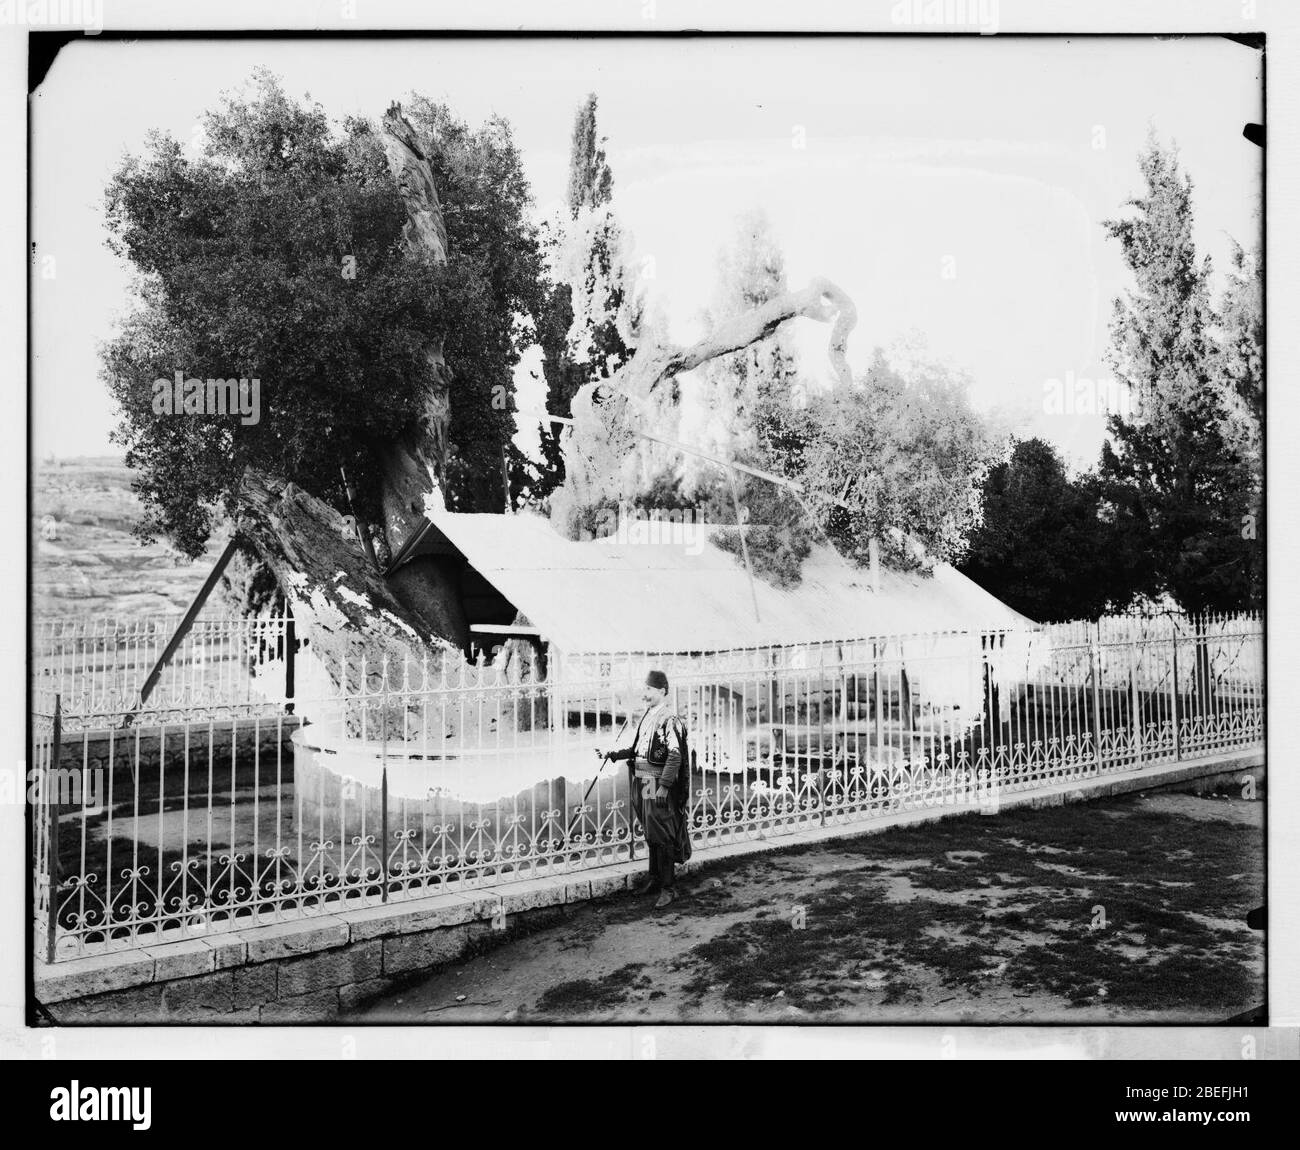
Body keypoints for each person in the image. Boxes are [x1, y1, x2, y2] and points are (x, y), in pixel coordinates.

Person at [596, 670, 692, 908]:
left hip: (658, 783)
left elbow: (675, 756)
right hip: (643, 780)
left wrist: (664, 787)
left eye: (649, 689)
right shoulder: (648, 716)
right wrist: (614, 755)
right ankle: (654, 878)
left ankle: (669, 888)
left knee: (663, 832)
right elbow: (639, 749)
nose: (645, 693)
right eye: (645, 689)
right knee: (651, 831)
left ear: (662, 691)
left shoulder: (670, 720)